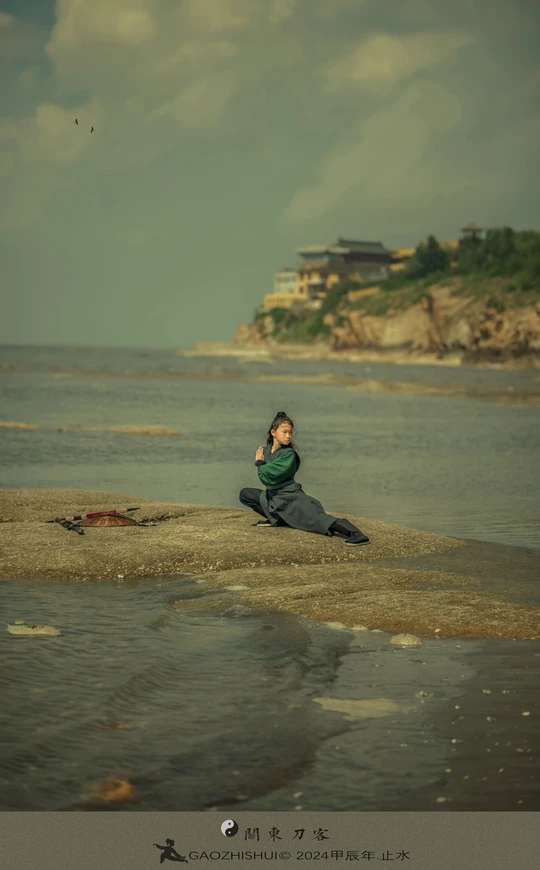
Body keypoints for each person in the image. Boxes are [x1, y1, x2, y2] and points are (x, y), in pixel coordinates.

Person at [239, 410, 370, 545]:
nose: (288, 436)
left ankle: (357, 534)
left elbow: (269, 476)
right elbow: (266, 480)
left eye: (290, 432)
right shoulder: (265, 451)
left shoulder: (289, 455)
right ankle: (278, 519)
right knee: (245, 494)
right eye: (285, 432)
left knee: (319, 520)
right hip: (273, 497)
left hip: (290, 497)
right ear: (273, 432)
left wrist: (259, 463)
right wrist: (262, 466)